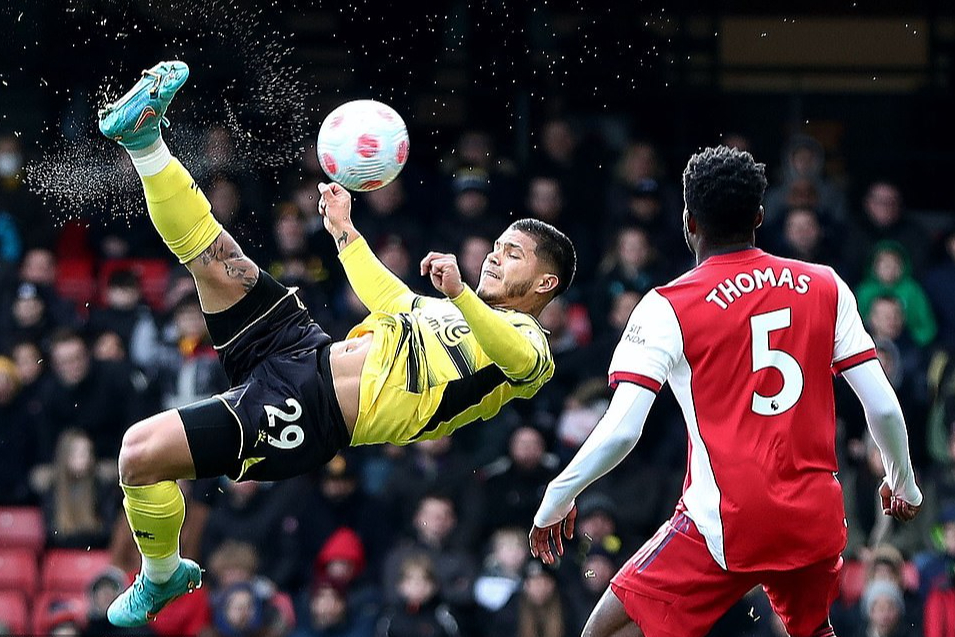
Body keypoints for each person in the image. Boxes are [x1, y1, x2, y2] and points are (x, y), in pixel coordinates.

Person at [95, 61, 575, 627]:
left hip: (311, 411)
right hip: (306, 350)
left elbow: (516, 356)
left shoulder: (531, 348)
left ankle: (160, 574)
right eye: (497, 245)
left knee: (137, 453)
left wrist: (464, 295)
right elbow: (392, 298)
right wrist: (345, 232)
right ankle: (147, 143)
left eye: (513, 253)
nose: (495, 254)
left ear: (545, 284)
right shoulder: (452, 310)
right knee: (218, 258)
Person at [528, 146, 922, 637]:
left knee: (605, 631)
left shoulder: (666, 306)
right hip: (814, 518)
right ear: (760, 216)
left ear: (688, 221)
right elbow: (881, 404)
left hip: (725, 521)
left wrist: (559, 492)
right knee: (813, 630)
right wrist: (902, 480)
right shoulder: (825, 284)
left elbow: (621, 432)